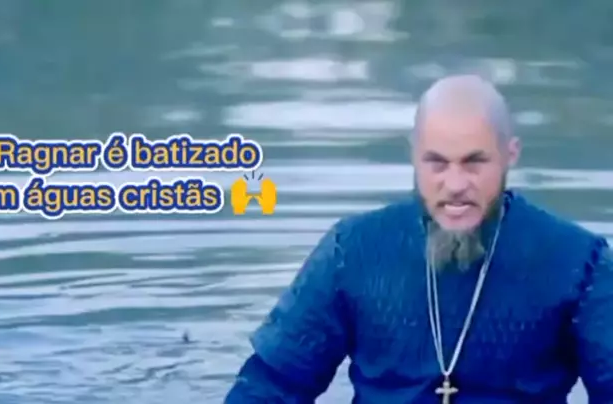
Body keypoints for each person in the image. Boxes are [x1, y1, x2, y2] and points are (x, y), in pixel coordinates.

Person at [224, 75, 613, 403]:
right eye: (437, 163)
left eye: (474, 162)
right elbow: (271, 385)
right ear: (413, 156)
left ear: (510, 155)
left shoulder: (579, 261)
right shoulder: (353, 251)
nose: (455, 184)